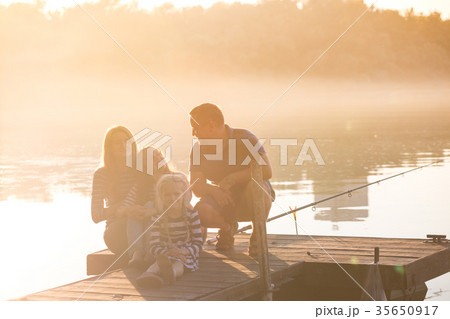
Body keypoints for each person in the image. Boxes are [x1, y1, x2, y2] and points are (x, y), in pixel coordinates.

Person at [188, 103, 275, 256]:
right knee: (200, 212)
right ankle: (227, 227)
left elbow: (267, 170)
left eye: (196, 128)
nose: (194, 133)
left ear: (210, 125)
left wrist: (233, 178)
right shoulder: (198, 149)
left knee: (257, 187)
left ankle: (258, 234)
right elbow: (196, 186)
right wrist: (213, 190)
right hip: (223, 201)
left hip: (252, 198)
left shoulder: (245, 138)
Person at [136, 173, 202, 288]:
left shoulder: (192, 215)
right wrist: (166, 252)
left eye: (176, 194)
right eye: (167, 195)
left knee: (179, 263)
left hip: (185, 254)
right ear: (161, 196)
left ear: (184, 194)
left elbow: (198, 243)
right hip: (165, 253)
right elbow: (154, 244)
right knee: (158, 263)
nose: (172, 198)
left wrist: (183, 252)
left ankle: (171, 274)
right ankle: (148, 275)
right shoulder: (158, 218)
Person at [118, 146, 172, 268]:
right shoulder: (141, 186)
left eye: (159, 155)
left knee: (149, 205)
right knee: (135, 209)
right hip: (152, 226)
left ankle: (150, 250)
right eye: (153, 158)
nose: (159, 158)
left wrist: (152, 211)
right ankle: (136, 252)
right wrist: (130, 210)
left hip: (174, 227)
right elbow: (121, 209)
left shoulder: (176, 179)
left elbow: (182, 204)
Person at [91, 125, 139, 255]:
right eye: (117, 143)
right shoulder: (102, 174)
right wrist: (124, 206)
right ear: (109, 148)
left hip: (143, 219)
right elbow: (96, 215)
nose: (123, 146)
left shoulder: (143, 168)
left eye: (126, 141)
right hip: (118, 228)